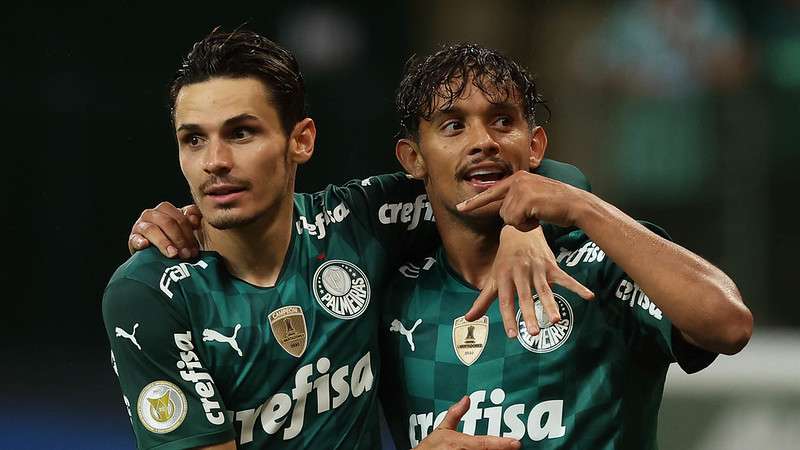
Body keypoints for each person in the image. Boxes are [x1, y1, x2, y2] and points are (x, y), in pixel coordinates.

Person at [104, 29, 592, 450]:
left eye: (242, 133)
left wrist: (520, 226)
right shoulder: (149, 293)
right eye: (194, 139)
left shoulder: (356, 223)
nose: (215, 161)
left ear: (302, 140)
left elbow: (546, 178)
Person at [378, 43, 753, 449]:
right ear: (413, 158)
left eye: (503, 121)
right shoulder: (393, 295)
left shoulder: (599, 265)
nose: (484, 141)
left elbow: (728, 325)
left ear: (535, 146)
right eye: (454, 125)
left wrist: (580, 205)